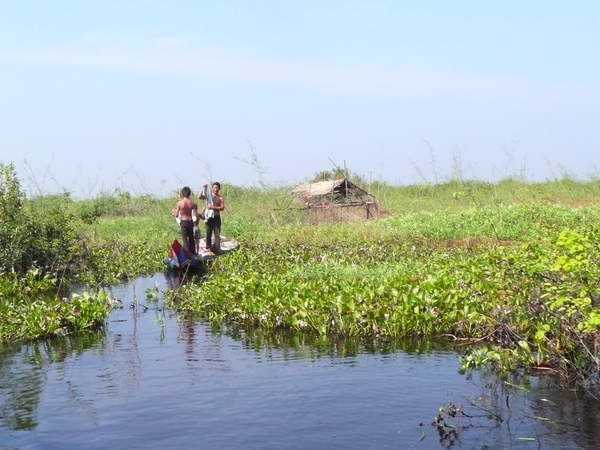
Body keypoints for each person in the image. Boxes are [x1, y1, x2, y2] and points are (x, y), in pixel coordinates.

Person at [198, 181, 225, 253]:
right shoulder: (209, 196)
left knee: (217, 233)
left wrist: (213, 207)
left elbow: (222, 208)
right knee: (208, 232)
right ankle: (208, 247)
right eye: (214, 188)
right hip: (209, 217)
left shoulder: (220, 198)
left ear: (219, 189)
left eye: (217, 188)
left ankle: (216, 248)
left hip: (216, 217)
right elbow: (199, 196)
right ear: (212, 188)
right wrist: (203, 188)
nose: (216, 189)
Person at [172, 186, 198, 254]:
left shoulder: (179, 203)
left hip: (183, 222)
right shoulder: (193, 203)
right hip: (190, 221)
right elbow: (195, 215)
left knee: (185, 239)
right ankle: (193, 253)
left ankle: (187, 253)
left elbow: (177, 215)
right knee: (191, 238)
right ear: (189, 193)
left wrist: (173, 212)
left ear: (182, 194)